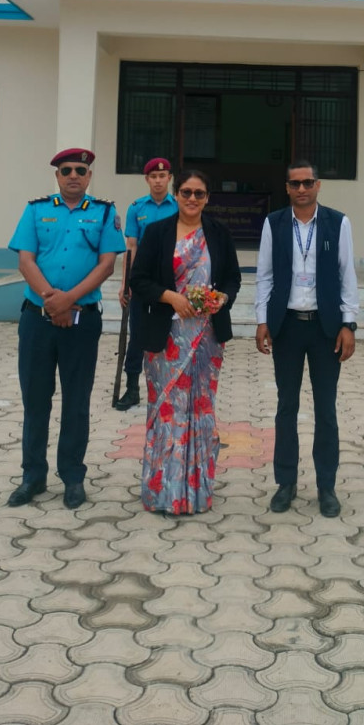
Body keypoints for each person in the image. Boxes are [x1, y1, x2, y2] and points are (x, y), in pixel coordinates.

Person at [6, 148, 126, 509]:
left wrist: (68, 299)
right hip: (37, 319)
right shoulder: (36, 210)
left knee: (76, 401)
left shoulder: (104, 212)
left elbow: (107, 265)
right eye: (66, 170)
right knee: (35, 400)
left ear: (89, 176)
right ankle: (33, 476)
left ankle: (73, 476)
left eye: (80, 170)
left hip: (82, 319)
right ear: (57, 176)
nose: (73, 175)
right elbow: (25, 260)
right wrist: (51, 300)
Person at [129, 168, 241, 514]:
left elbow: (233, 279)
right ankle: (163, 492)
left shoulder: (219, 233)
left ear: (207, 198)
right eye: (186, 192)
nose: (192, 199)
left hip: (206, 338)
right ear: (176, 195)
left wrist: (222, 298)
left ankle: (196, 491)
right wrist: (171, 297)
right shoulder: (157, 232)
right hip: (166, 337)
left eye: (199, 193)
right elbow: (139, 280)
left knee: (200, 411)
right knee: (167, 411)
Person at [254, 160, 359, 518]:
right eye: (295, 184)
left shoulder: (338, 222)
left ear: (318, 185)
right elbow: (265, 275)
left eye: (308, 182)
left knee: (326, 409)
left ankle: (326, 486)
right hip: (287, 326)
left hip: (325, 328)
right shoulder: (274, 223)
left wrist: (349, 324)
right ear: (286, 187)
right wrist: (262, 320)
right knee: (287, 407)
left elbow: (347, 275)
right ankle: (286, 483)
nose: (302, 189)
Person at [114, 157, 178, 411]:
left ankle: (171, 387)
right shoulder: (136, 208)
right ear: (147, 180)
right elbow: (131, 247)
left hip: (171, 279)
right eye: (153, 177)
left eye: (162, 176)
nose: (158, 181)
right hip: (143, 278)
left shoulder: (179, 206)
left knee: (173, 333)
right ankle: (132, 388)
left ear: (169, 178)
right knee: (137, 334)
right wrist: (126, 283)